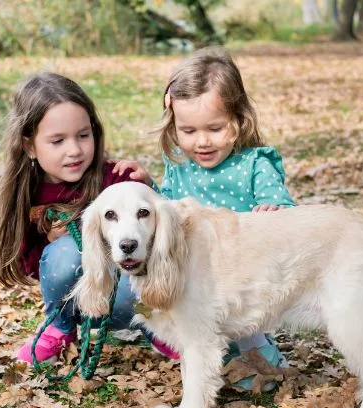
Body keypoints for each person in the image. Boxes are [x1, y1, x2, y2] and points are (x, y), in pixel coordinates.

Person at [117, 47, 296, 390]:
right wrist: (148, 186)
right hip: (194, 275)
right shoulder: (181, 168)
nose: (201, 142)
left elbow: (278, 204)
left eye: (214, 128)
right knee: (199, 341)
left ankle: (254, 348)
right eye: (188, 130)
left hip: (240, 277)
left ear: (239, 119)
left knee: (256, 378)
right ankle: (192, 342)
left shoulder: (254, 165)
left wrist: (272, 210)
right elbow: (168, 210)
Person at [0, 72, 178, 365]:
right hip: (75, 299)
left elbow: (165, 230)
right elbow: (30, 264)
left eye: (83, 135)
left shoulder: (117, 181)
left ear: (95, 132)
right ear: (29, 146)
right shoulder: (28, 194)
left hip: (127, 295)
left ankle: (156, 326)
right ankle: (60, 326)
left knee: (138, 283)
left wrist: (150, 188)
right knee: (64, 252)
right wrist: (51, 241)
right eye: (57, 141)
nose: (74, 150)